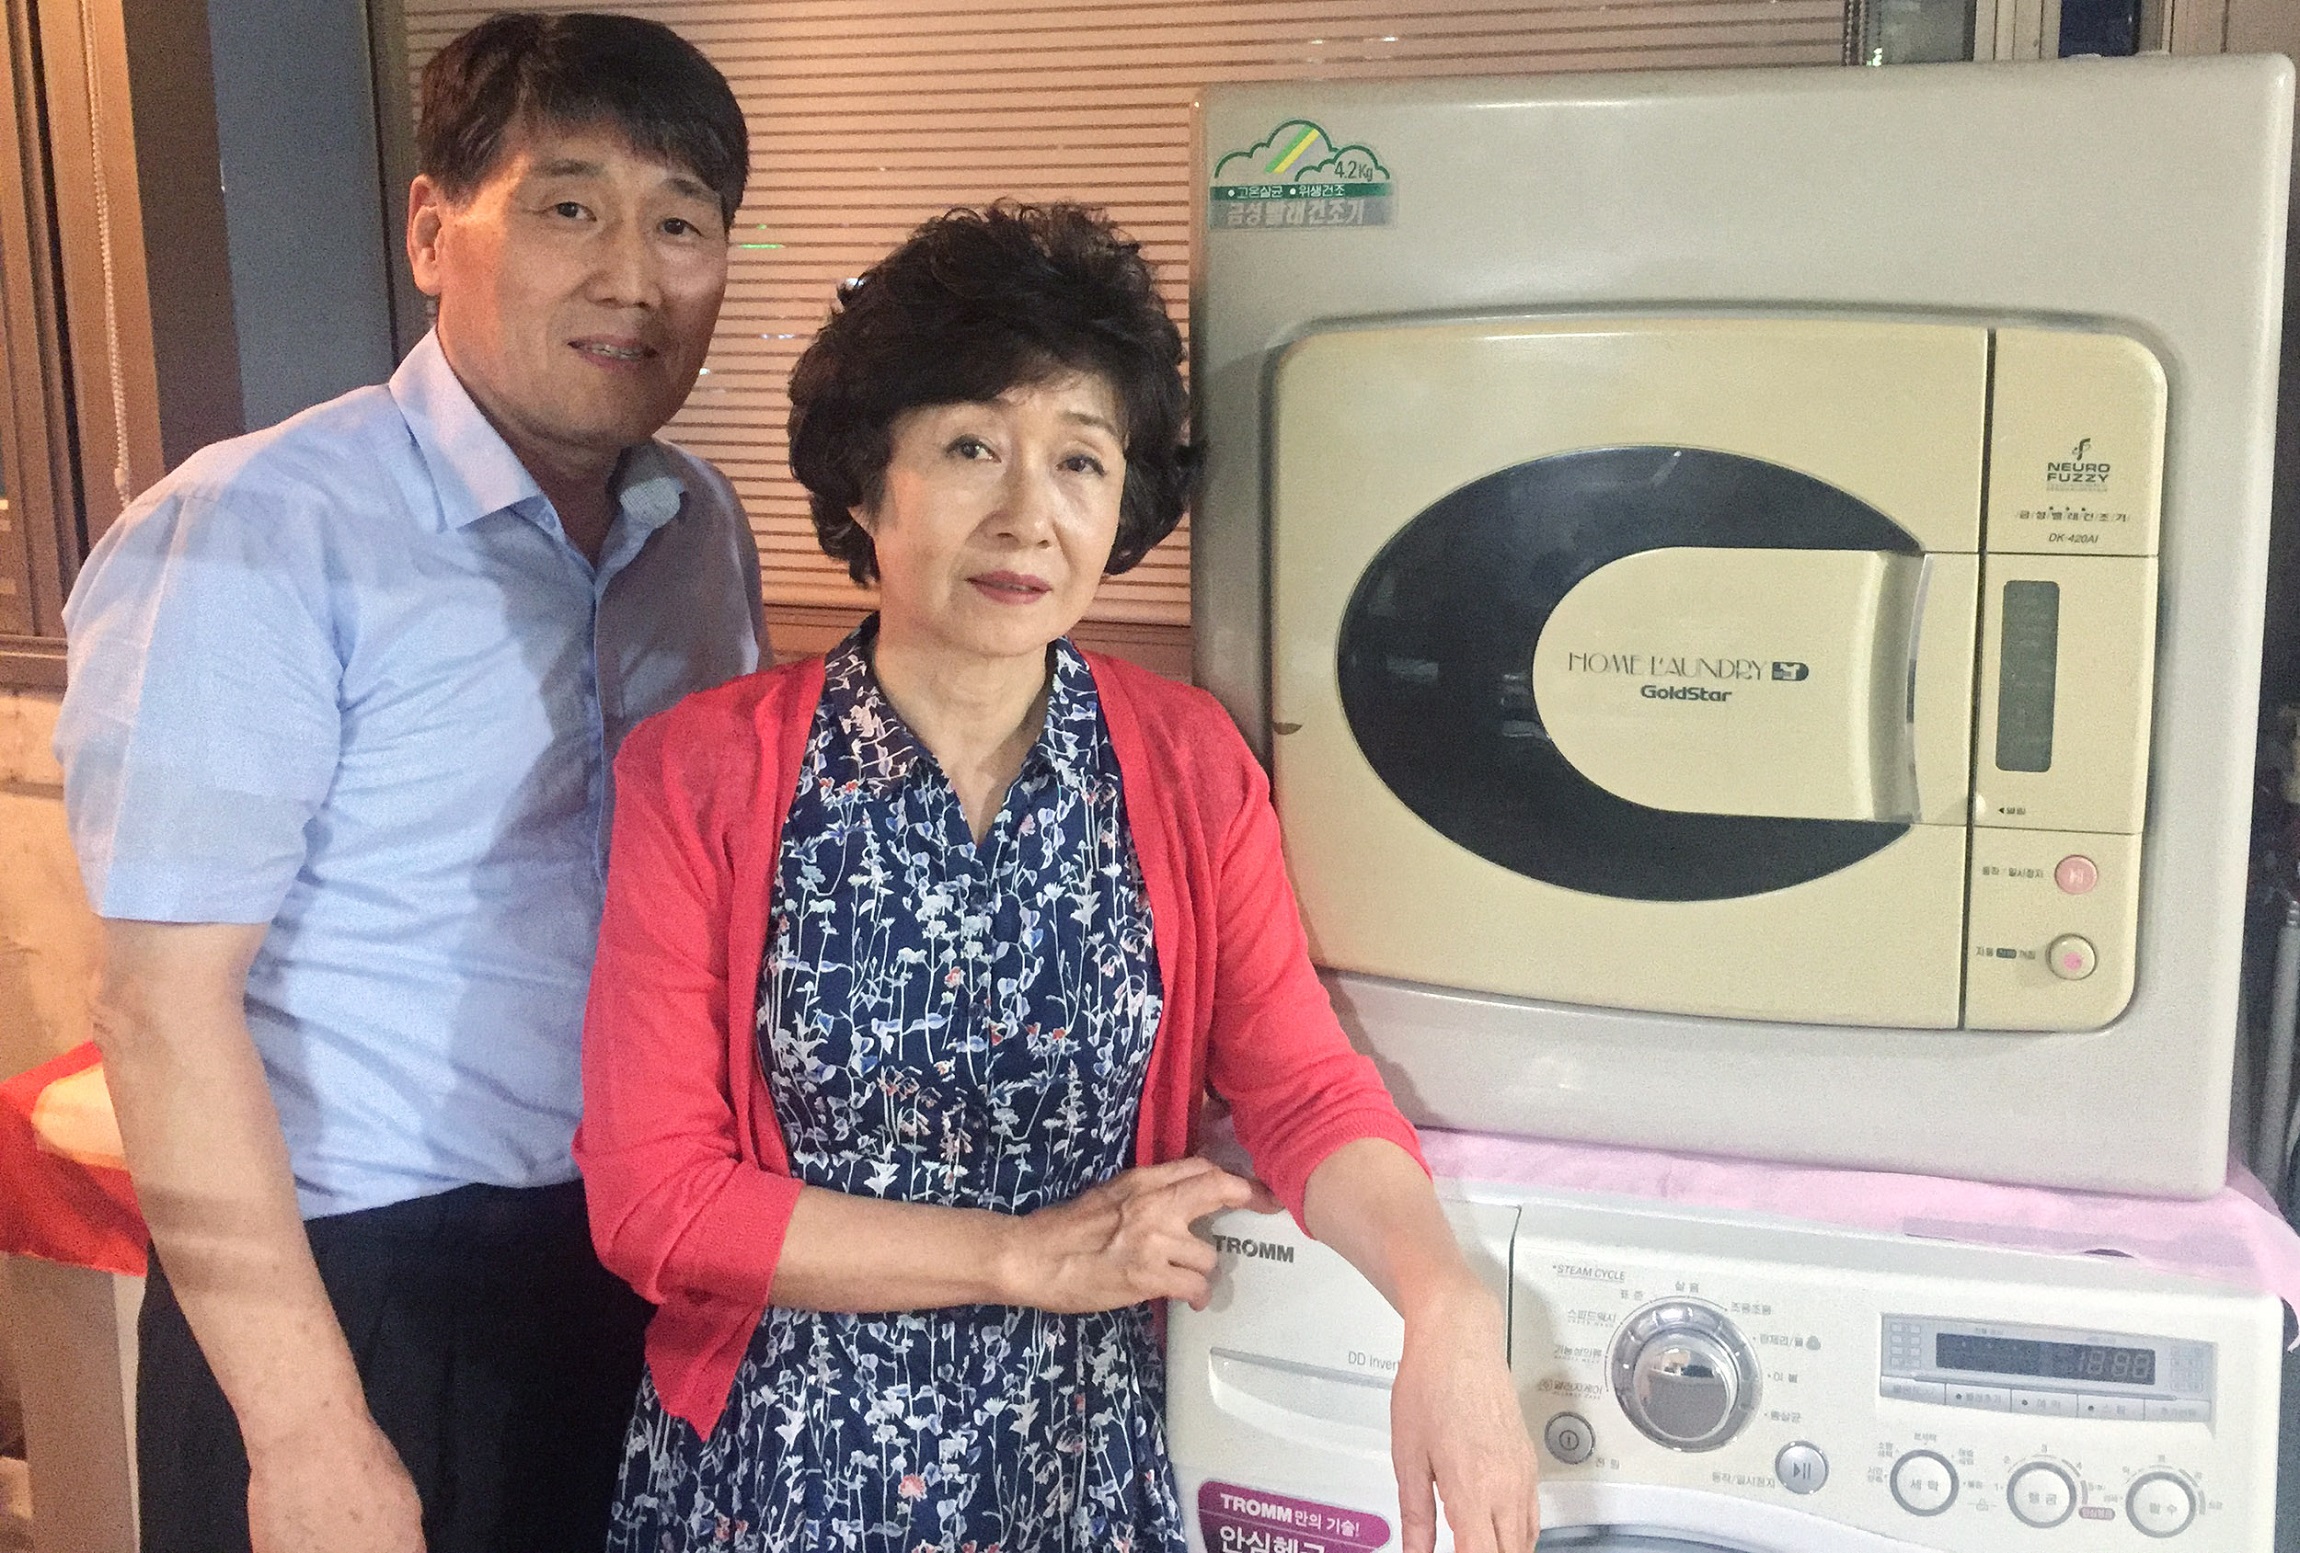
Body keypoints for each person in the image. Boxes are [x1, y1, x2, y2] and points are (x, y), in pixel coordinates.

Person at [577, 202, 1541, 1553]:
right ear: (868, 484)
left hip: (1080, 1466)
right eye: (972, 445)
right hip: (780, 1467)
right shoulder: (704, 774)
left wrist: (1443, 1303)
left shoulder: (1187, 762)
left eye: (1080, 461)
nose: (1028, 514)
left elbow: (1304, 1086)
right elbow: (655, 1199)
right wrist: (1016, 1255)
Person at [55, 13, 762, 1551]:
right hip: (352, 1283)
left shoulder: (696, 530)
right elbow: (160, 1006)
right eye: (569, 206)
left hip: (632, 1250)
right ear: (435, 230)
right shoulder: (257, 528)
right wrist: (309, 1431)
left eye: (682, 224)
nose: (633, 275)